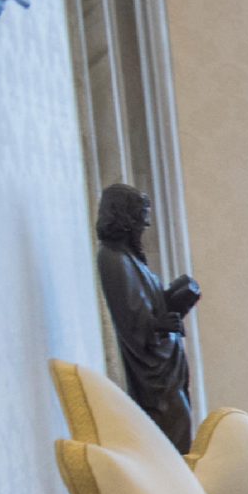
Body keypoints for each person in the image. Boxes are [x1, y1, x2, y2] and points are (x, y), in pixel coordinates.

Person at [93, 183, 202, 450]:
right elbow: (129, 322)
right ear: (125, 217)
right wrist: (158, 323)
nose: (146, 225)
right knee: (174, 431)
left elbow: (147, 306)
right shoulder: (113, 259)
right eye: (141, 218)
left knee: (181, 427)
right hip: (153, 378)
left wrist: (174, 300)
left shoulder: (130, 258)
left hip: (166, 367)